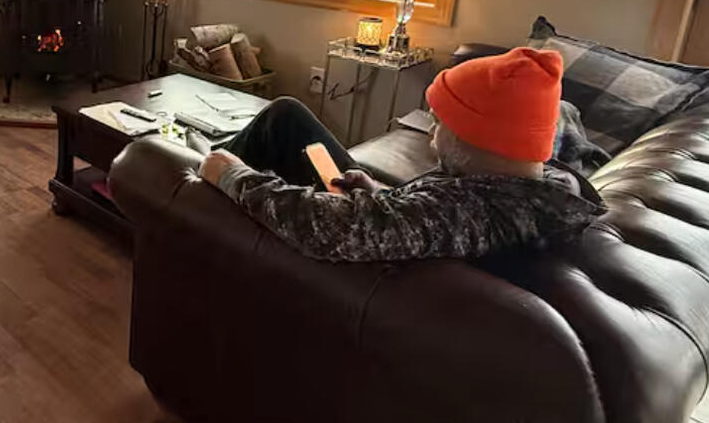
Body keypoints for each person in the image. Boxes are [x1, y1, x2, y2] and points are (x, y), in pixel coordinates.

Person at [193, 47, 605, 262]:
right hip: (384, 209)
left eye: (440, 123)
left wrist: (234, 175)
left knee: (228, 157)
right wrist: (375, 190)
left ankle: (188, 181)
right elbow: (417, 219)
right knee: (286, 115)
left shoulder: (469, 212)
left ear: (476, 136)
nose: (432, 135)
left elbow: (324, 228)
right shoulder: (543, 185)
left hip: (342, 262)